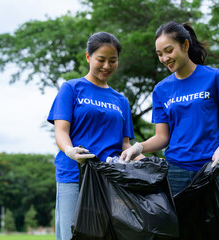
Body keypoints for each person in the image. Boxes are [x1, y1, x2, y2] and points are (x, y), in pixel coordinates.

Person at [120, 21, 219, 196]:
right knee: (177, 224)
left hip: (213, 167)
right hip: (176, 172)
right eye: (160, 54)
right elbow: (162, 137)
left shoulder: (214, 78)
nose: (164, 58)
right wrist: (137, 148)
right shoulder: (161, 90)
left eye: (169, 51)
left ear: (185, 45)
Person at [47, 32, 136, 240]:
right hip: (74, 175)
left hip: (109, 181)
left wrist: (143, 160)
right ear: (88, 57)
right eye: (101, 59)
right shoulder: (71, 88)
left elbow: (125, 144)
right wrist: (69, 150)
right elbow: (61, 131)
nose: (107, 66)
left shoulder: (121, 100)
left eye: (112, 61)